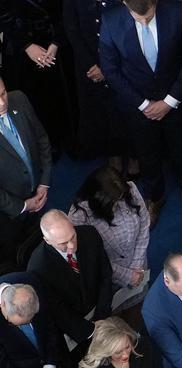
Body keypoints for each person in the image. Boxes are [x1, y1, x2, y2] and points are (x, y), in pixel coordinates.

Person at [100, 0, 182, 229]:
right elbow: (110, 70)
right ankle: (155, 198)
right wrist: (143, 104)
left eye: (149, 16)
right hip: (139, 106)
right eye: (139, 19)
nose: (146, 21)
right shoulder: (110, 20)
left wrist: (170, 101)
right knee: (147, 155)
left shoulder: (177, 10)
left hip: (174, 100)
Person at [28, 210, 113, 351]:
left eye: (72, 236)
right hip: (75, 323)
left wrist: (102, 315)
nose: (71, 246)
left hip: (100, 307)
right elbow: (56, 308)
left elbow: (105, 273)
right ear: (47, 241)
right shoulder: (38, 268)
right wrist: (90, 331)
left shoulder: (89, 234)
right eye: (63, 243)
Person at [67, 166, 151, 306]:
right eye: (112, 202)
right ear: (98, 198)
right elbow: (90, 258)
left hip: (138, 267)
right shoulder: (79, 216)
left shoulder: (129, 189)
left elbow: (144, 226)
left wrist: (137, 266)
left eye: (120, 198)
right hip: (108, 277)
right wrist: (127, 276)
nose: (118, 204)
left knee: (138, 304)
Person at [0, 0, 75, 154]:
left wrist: (56, 43)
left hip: (56, 47)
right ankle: (42, 146)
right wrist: (27, 45)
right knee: (30, 100)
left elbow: (66, 11)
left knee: (62, 96)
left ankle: (66, 138)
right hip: (20, 52)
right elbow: (4, 16)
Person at [62, 0, 125, 161]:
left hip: (121, 62)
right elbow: (72, 30)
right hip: (88, 65)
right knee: (100, 110)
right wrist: (91, 64)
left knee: (125, 109)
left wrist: (107, 67)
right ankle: (114, 155)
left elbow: (129, 25)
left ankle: (133, 156)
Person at [0, 77, 52, 263]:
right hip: (7, 213)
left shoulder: (19, 99)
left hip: (38, 193)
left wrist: (44, 182)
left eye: (3, 93)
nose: (2, 102)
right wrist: (22, 206)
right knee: (14, 254)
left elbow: (41, 139)